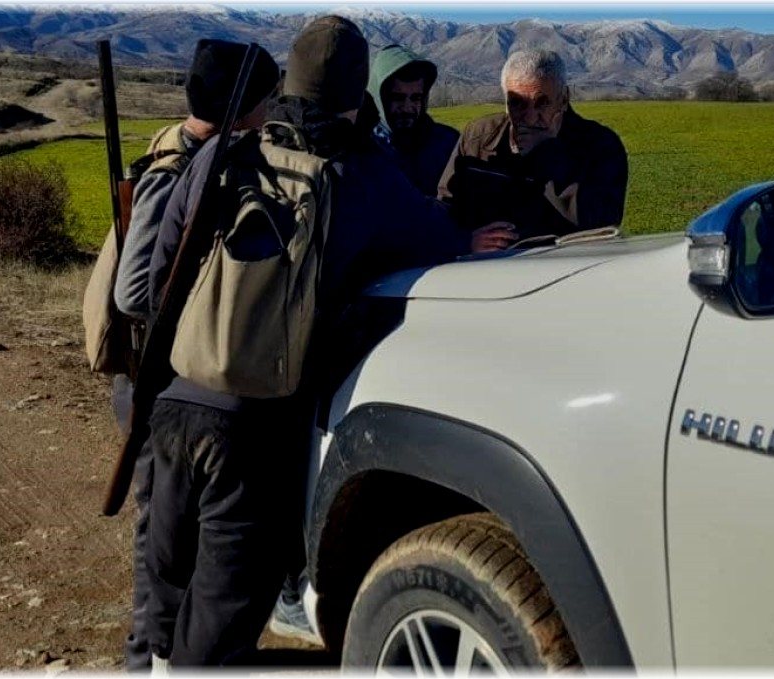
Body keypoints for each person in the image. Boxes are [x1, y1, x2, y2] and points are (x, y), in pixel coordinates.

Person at [140, 15, 516, 668]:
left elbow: (155, 284)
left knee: (164, 600)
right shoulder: (361, 174)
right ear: (356, 94)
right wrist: (468, 241)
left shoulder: (226, 151)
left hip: (174, 407)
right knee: (220, 628)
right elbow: (432, 243)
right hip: (258, 433)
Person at [110, 38, 281, 673]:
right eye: (263, 99)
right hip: (162, 382)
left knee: (170, 555)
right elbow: (135, 292)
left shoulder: (202, 155)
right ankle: (143, 665)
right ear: (246, 105)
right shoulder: (178, 166)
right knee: (161, 562)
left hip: (174, 385)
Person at [438, 48, 630, 239]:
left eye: (542, 102)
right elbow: (446, 207)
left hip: (562, 264)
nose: (530, 118)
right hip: (490, 264)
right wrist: (467, 239)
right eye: (517, 103)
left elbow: (603, 223)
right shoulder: (478, 138)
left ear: (564, 99)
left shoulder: (599, 146)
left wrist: (548, 155)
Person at [365, 44, 460, 196]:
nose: (407, 108)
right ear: (379, 99)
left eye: (416, 98)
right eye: (397, 98)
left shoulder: (449, 143)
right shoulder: (363, 150)